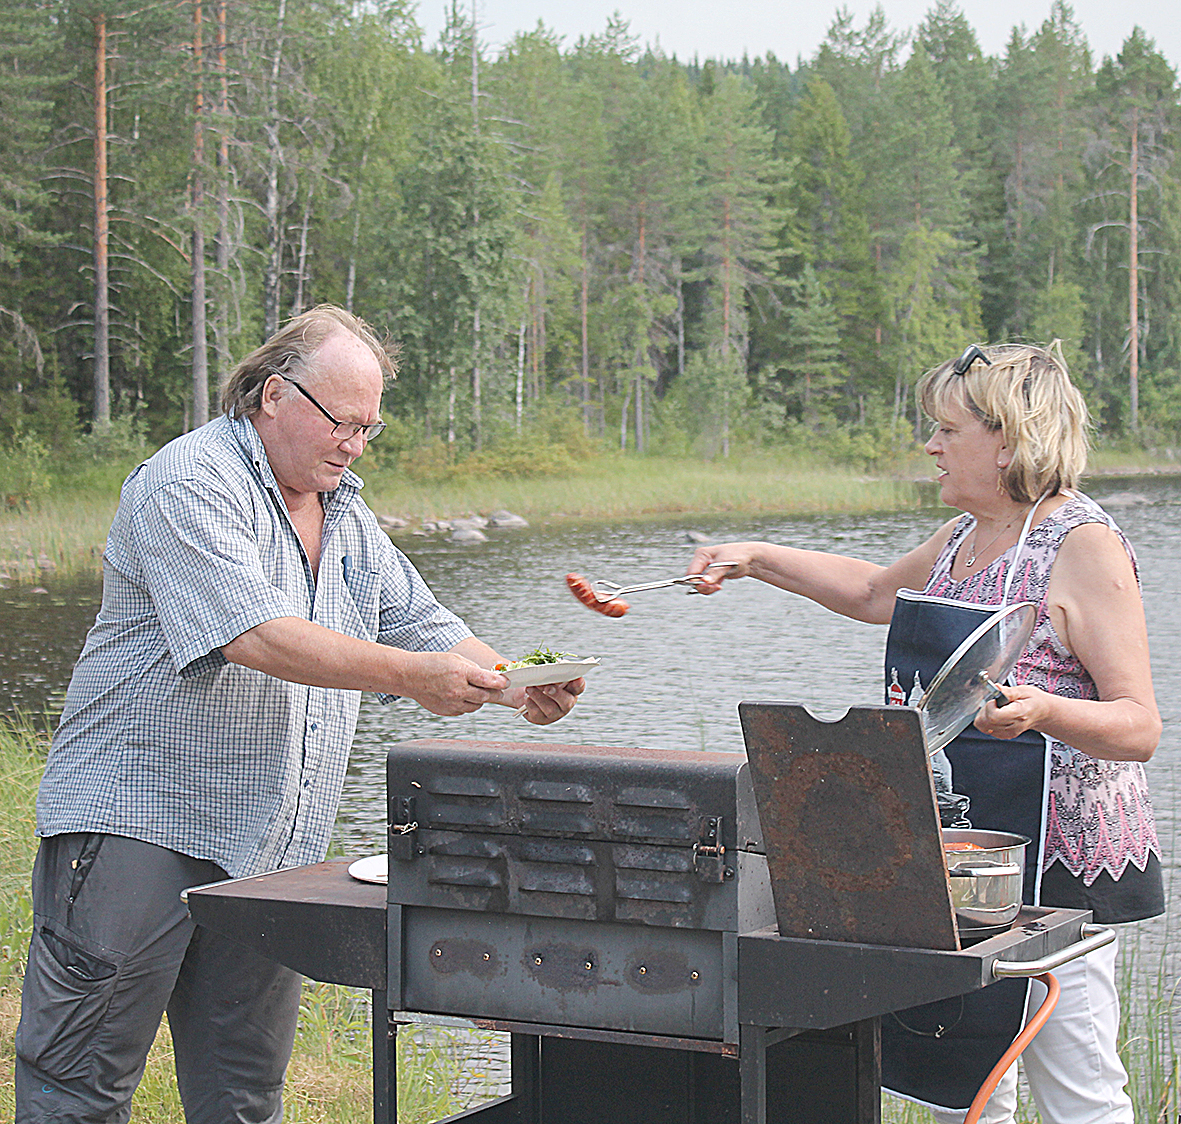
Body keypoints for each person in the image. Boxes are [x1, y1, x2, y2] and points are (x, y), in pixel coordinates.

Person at [14, 305, 586, 1124]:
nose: (355, 443)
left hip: (266, 850)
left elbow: (422, 626)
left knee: (244, 1097)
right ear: (274, 396)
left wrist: (518, 683)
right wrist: (415, 680)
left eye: (370, 428)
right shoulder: (191, 481)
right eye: (343, 422)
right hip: (136, 830)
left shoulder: (345, 511)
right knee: (78, 1092)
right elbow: (254, 635)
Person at [686, 341, 1162, 1124]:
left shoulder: (1082, 544)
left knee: (1080, 1095)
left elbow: (1137, 725)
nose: (930, 446)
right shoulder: (960, 539)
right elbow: (873, 592)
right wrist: (752, 557)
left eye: (946, 430)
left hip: (1055, 877)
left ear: (1007, 439)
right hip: (956, 860)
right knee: (967, 1090)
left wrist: (1043, 710)